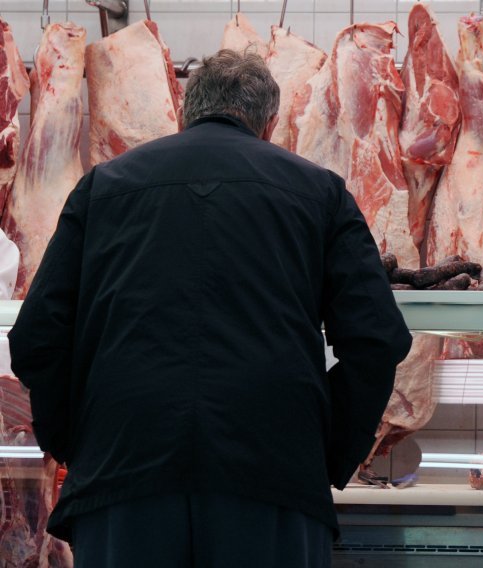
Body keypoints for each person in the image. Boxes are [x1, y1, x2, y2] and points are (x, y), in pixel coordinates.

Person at [8, 50, 412, 568]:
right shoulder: (320, 193)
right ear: (269, 126)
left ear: (183, 114)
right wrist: (323, 452)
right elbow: (377, 340)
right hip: (273, 478)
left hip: (124, 475)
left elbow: (37, 338)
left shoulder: (103, 188)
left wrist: (80, 444)